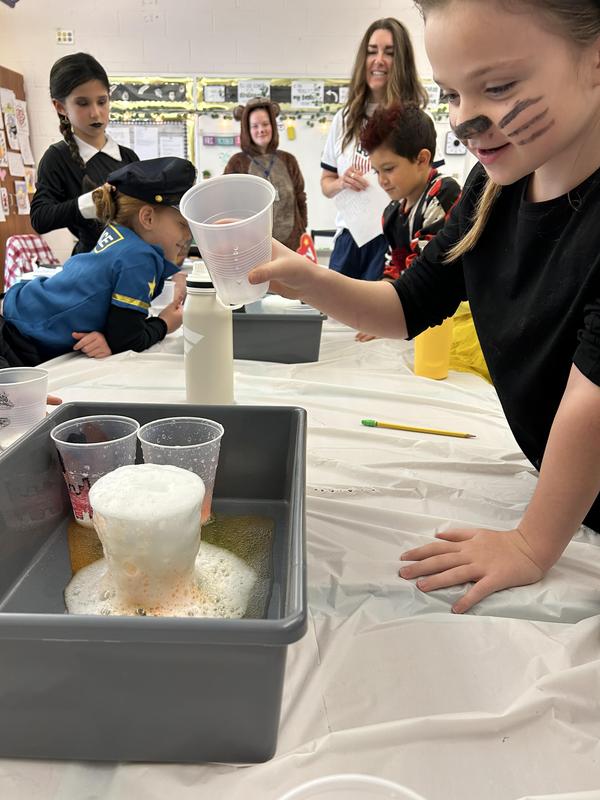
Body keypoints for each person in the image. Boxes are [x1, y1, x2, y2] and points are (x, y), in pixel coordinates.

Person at [248, 0, 600, 613]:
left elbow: (594, 402)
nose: (465, 123)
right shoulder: (493, 189)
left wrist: (531, 544)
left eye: (497, 87)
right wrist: (306, 279)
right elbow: (408, 305)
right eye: (452, 95)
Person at [2, 157, 195, 362]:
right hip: (19, 340)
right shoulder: (139, 259)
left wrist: (110, 337)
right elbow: (128, 340)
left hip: (19, 311)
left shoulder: (121, 235)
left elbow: (109, 314)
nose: (188, 235)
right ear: (147, 218)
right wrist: (165, 323)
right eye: (183, 224)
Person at [320, 17, 429, 281]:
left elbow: (424, 183)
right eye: (372, 51)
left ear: (401, 62)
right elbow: (326, 183)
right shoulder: (344, 118)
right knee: (336, 317)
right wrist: (341, 183)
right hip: (349, 239)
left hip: (390, 239)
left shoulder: (412, 119)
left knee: (379, 318)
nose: (378, 60)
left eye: (389, 53)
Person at [30, 52, 139, 255]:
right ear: (60, 107)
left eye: (102, 101)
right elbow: (40, 218)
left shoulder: (128, 158)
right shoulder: (57, 158)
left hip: (132, 264)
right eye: (82, 103)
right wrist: (90, 203)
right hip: (89, 269)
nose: (95, 113)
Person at [224, 98, 307, 251]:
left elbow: (300, 197)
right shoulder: (237, 163)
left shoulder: (288, 160)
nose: (261, 129)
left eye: (265, 124)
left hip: (291, 247)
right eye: (254, 126)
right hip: (250, 247)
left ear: (273, 126)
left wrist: (303, 232)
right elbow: (227, 205)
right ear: (247, 130)